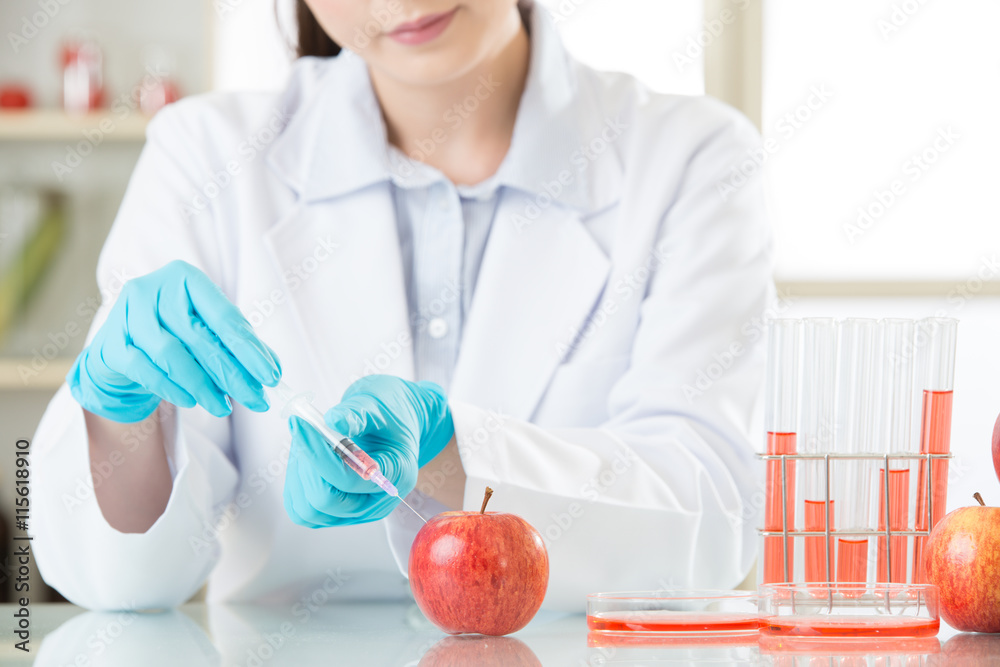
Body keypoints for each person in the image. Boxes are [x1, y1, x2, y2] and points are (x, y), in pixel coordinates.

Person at [31, 0, 774, 611]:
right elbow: (118, 583)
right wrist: (121, 417)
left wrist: (451, 455)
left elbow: (708, 526)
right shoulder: (206, 155)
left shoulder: (690, 159)